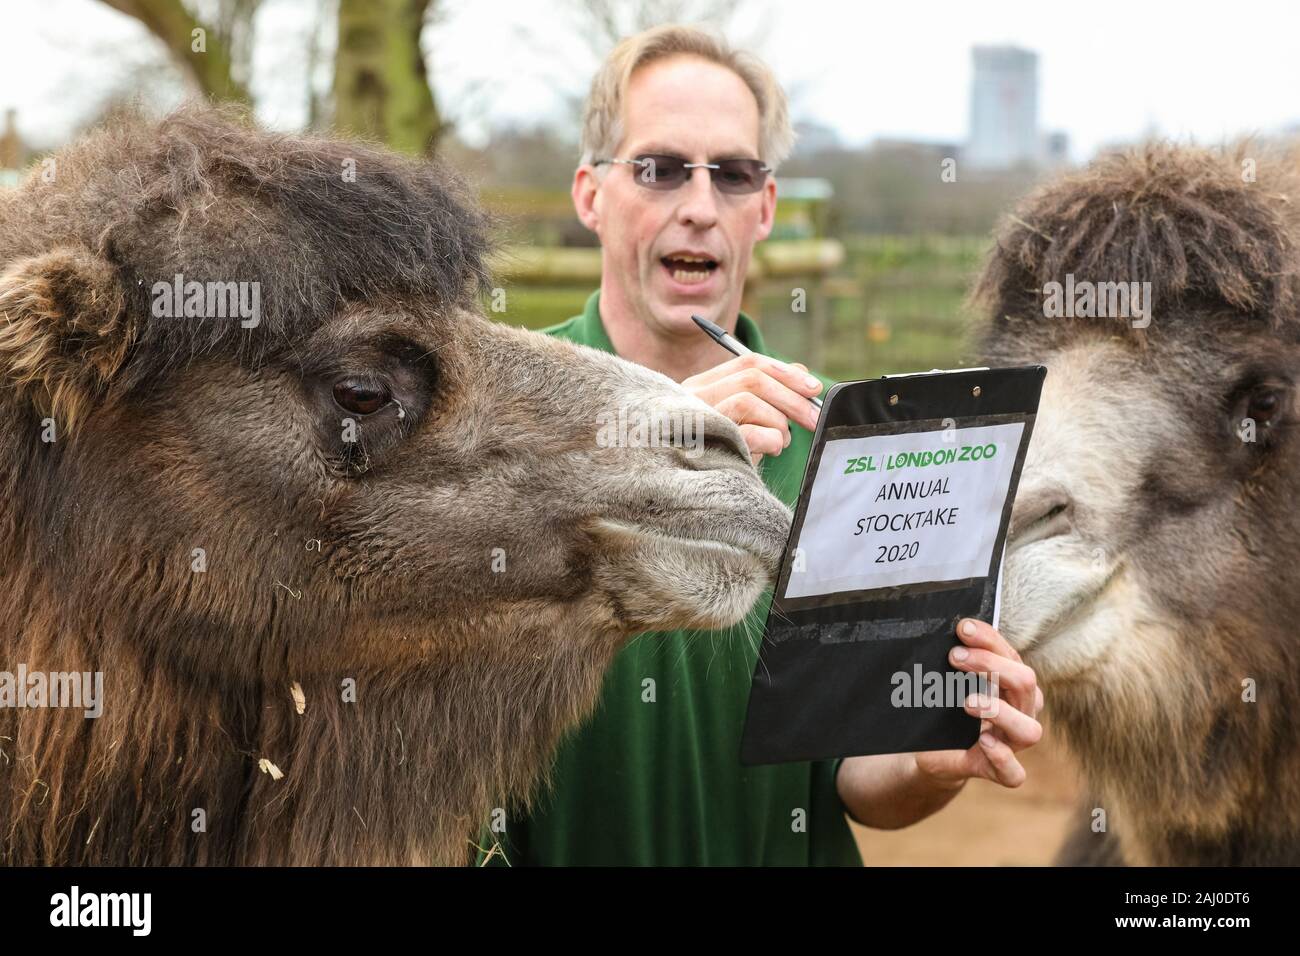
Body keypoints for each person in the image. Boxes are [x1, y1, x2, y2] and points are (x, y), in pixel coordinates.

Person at [485, 24, 1044, 866]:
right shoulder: (492, 414)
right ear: (590, 194)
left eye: (733, 174)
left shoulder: (844, 448)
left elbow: (853, 778)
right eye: (659, 168)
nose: (700, 206)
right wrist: (651, 436)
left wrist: (928, 761)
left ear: (767, 207)